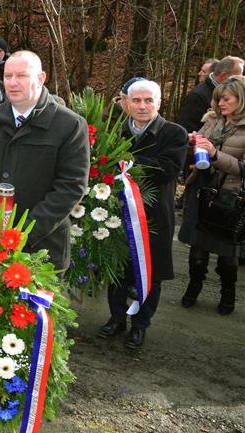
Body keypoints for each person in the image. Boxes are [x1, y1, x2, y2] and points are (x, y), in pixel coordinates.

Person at [0, 50, 90, 270]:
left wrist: (24, 233)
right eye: (7, 76)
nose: (12, 83)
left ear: (41, 78)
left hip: (43, 248)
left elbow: (71, 186)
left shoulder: (69, 125)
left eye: (21, 76)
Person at [98, 80, 187, 349]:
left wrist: (126, 163)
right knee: (118, 269)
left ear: (159, 103)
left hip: (154, 216)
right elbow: (102, 162)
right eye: (136, 101)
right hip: (118, 212)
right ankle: (116, 317)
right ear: (126, 103)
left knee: (150, 272)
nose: (142, 106)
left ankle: (140, 325)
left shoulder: (174, 133)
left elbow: (168, 169)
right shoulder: (115, 132)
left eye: (148, 100)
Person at [178, 75, 245, 315]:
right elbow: (200, 147)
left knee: (228, 259)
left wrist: (215, 154)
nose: (220, 104)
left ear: (241, 98)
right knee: (197, 251)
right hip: (202, 191)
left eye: (226, 99)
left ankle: (228, 293)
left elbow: (242, 167)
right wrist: (194, 144)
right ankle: (193, 287)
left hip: (230, 197)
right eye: (218, 100)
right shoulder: (213, 120)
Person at [177, 56, 244, 134]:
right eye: (238, 76)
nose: (241, 78)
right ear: (223, 75)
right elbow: (186, 129)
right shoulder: (197, 96)